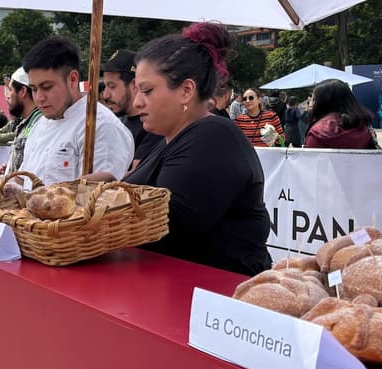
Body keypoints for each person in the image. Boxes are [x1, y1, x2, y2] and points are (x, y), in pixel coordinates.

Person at [124, 23, 272, 275]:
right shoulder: (170, 138)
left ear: (186, 90)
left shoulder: (213, 137)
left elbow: (166, 225)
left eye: (147, 91)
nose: (137, 102)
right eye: (137, 90)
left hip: (212, 300)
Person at [19, 38, 133, 184]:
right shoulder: (39, 125)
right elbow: (22, 180)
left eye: (47, 87)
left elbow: (100, 195)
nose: (39, 98)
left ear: (73, 79)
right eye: (34, 89)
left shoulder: (100, 126)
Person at [100, 48, 163, 169]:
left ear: (134, 85)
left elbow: (134, 178)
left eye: (112, 86)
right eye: (105, 86)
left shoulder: (151, 127)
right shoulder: (118, 123)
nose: (105, 95)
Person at [303, 79, 378, 149]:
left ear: (322, 102)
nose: (310, 104)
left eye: (314, 100)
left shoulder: (317, 133)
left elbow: (309, 160)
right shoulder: (366, 127)